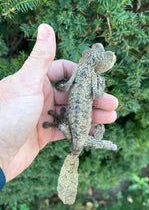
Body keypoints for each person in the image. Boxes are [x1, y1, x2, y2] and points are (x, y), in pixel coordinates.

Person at [0, 24, 118, 190]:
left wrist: (55, 86)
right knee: (81, 140)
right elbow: (98, 96)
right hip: (77, 122)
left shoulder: (79, 69)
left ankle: (101, 142)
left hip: (75, 122)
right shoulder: (92, 76)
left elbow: (64, 87)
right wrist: (101, 83)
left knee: (79, 139)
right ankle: (103, 143)